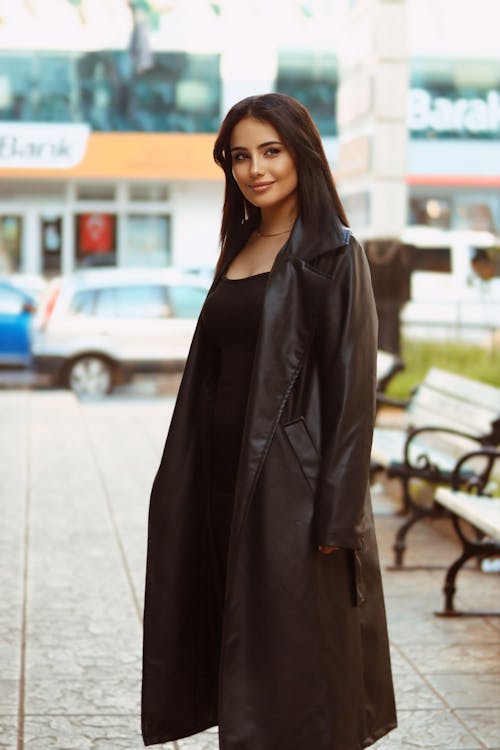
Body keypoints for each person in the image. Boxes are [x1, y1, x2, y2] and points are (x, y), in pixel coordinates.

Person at [141, 93, 397, 750]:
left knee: (294, 666)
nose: (255, 169)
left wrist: (338, 516)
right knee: (236, 637)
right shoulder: (240, 243)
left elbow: (351, 394)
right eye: (239, 156)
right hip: (219, 475)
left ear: (301, 153)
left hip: (292, 491)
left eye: (270, 151)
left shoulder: (333, 253)